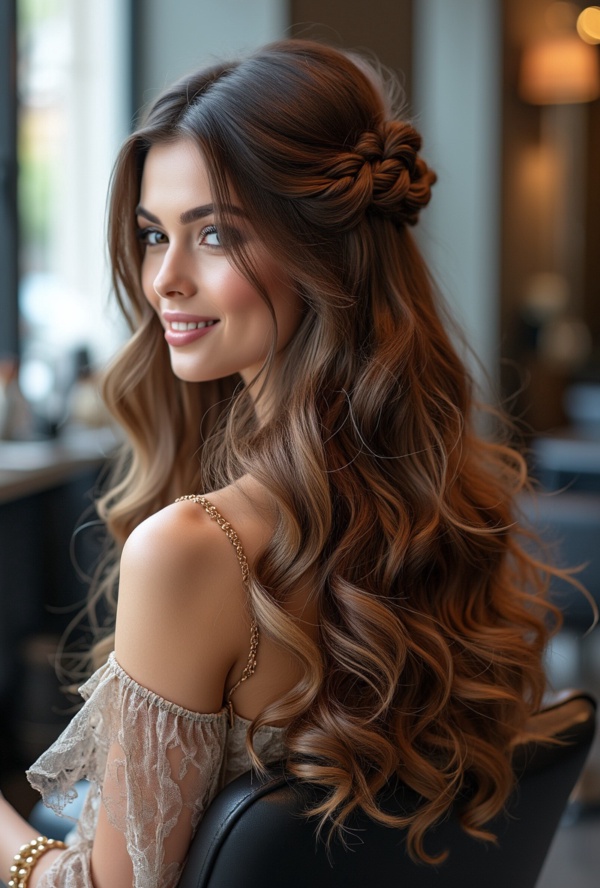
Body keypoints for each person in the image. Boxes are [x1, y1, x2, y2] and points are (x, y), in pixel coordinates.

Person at [0, 38, 565, 888]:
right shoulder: (459, 501)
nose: (164, 281)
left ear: (322, 254)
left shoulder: (196, 547)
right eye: (155, 235)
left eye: (216, 234)